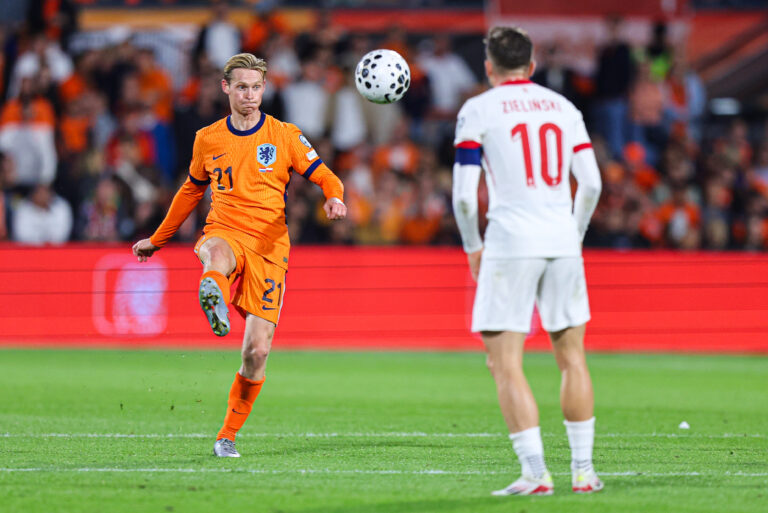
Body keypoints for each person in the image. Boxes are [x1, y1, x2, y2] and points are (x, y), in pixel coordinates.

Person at [131, 53, 347, 458]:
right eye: (242, 87)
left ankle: (226, 436)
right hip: (225, 230)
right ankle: (213, 294)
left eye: (256, 87)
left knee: (256, 352)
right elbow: (191, 191)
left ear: (264, 89)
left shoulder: (284, 135)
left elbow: (324, 174)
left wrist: (333, 197)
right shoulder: (208, 138)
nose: (250, 95)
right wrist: (157, 240)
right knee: (215, 255)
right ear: (226, 88)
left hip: (270, 247)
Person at [452, 27, 603, 496]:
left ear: (489, 67)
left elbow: (464, 196)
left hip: (510, 240)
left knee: (504, 362)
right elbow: (592, 184)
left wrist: (472, 246)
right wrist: (574, 233)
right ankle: (584, 472)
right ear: (532, 65)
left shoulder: (478, 109)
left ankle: (536, 473)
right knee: (572, 358)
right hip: (561, 239)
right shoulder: (564, 107)